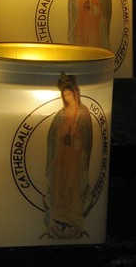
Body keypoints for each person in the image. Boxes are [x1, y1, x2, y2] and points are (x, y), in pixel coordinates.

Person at [44, 73, 93, 241]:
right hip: (62, 157)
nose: (67, 97)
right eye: (64, 95)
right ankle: (59, 213)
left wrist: (76, 137)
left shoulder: (83, 112)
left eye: (69, 94)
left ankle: (73, 216)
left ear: (75, 93)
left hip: (76, 157)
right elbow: (53, 137)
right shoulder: (60, 114)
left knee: (73, 184)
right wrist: (62, 135)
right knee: (61, 184)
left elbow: (86, 135)